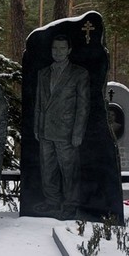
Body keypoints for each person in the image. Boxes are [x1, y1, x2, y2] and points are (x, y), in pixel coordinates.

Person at [33, 35, 90, 220]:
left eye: (61, 49)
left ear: (69, 50)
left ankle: (71, 204)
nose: (57, 52)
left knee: (68, 170)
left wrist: (77, 132)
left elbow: (83, 106)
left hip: (66, 132)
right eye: (54, 49)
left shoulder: (79, 74)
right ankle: (52, 202)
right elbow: (39, 104)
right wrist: (37, 127)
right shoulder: (43, 73)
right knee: (47, 168)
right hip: (45, 131)